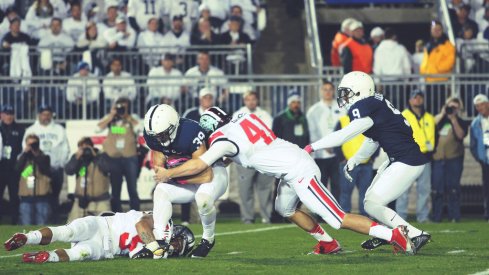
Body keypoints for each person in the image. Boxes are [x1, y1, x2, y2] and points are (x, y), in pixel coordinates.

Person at [153, 106, 416, 255]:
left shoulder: (222, 140)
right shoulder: (245, 117)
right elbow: (247, 149)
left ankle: (394, 234)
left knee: (338, 218)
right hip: (290, 165)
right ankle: (327, 243)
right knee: (285, 209)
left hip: (298, 171)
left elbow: (202, 163)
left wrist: (168, 173)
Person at [304, 71, 431, 252]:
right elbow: (373, 139)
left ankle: (413, 233)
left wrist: (313, 146)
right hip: (400, 159)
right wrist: (355, 159)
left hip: (406, 161)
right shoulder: (376, 103)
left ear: (359, 91)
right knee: (369, 203)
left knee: (372, 204)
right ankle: (390, 234)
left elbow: (346, 133)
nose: (344, 97)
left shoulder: (366, 104)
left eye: (346, 92)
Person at [143, 104, 228, 258]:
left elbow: (206, 175)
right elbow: (159, 168)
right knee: (161, 191)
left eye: (162, 135)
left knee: (202, 199)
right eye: (155, 136)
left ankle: (208, 239)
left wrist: (171, 173)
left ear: (173, 126)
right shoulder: (153, 135)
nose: (159, 139)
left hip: (214, 171)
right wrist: (172, 172)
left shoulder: (190, 132)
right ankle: (160, 242)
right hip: (187, 177)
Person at [4, 210, 195, 263]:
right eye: (178, 241)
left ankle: (45, 258)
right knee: (67, 231)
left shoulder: (160, 251)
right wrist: (156, 248)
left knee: (78, 255)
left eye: (179, 247)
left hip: (106, 250)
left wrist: (156, 252)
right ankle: (28, 237)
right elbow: (141, 225)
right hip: (101, 225)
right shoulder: (161, 221)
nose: (175, 246)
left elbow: (135, 254)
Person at [23, 105, 70, 223]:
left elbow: (65, 149)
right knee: (40, 197)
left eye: (48, 114)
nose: (46, 117)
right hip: (37, 170)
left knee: (54, 197)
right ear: (39, 115)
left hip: (55, 168)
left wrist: (60, 164)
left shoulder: (59, 129)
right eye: (43, 114)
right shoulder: (31, 130)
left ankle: (53, 222)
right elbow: (24, 148)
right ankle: (39, 222)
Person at [233, 90, 274, 224]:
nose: (251, 102)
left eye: (253, 99)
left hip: (263, 157)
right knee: (245, 190)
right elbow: (236, 136)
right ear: (244, 101)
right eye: (248, 99)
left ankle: (266, 216)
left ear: (257, 100)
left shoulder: (265, 115)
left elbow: (267, 135)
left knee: (265, 189)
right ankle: (247, 218)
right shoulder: (237, 114)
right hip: (244, 158)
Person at [395, 90, 435, 223]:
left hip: (425, 157)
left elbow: (435, 137)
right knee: (403, 188)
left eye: (420, 97)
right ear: (410, 100)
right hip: (408, 158)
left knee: (424, 189)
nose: (417, 100)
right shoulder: (403, 115)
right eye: (415, 97)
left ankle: (422, 217)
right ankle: (401, 217)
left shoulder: (429, 117)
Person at [98, 97, 140, 212]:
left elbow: (140, 129)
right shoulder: (111, 119)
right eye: (119, 107)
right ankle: (116, 214)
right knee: (115, 190)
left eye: (124, 107)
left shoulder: (133, 118)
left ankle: (135, 214)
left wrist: (128, 117)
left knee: (132, 188)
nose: (121, 109)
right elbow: (97, 129)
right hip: (113, 159)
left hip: (130, 158)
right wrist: (111, 116)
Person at [432, 97, 470, 222]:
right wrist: (443, 113)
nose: (451, 109)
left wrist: (453, 119)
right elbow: (431, 127)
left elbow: (460, 135)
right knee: (437, 190)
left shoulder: (461, 121)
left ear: (459, 109)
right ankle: (437, 217)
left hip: (454, 159)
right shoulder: (439, 119)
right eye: (450, 106)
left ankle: (454, 216)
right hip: (437, 159)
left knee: (453, 189)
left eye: (454, 107)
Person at [306, 81, 345, 199]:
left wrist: (337, 147)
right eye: (325, 89)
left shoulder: (342, 108)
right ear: (321, 91)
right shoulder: (314, 110)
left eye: (330, 89)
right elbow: (312, 132)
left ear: (334, 91)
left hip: (338, 155)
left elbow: (346, 128)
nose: (327, 92)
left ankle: (337, 214)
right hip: (320, 155)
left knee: (337, 186)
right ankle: (320, 215)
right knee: (320, 186)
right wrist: (324, 145)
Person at [64, 137, 111, 222]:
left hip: (100, 201)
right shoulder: (78, 158)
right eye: (82, 147)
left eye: (87, 147)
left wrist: (95, 156)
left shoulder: (102, 156)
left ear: (92, 146)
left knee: (105, 226)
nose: (85, 150)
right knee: (72, 227)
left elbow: (107, 168)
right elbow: (69, 170)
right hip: (80, 201)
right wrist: (77, 157)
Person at [335, 114, 372, 216]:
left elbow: (376, 138)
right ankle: (344, 216)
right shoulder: (343, 120)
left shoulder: (368, 119)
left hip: (366, 163)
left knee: (365, 193)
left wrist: (372, 157)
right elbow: (336, 139)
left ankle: (365, 216)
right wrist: (341, 158)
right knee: (345, 192)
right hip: (347, 164)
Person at [16, 134, 52, 225]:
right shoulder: (22, 157)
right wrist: (25, 153)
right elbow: (16, 170)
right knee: (26, 225)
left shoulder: (45, 157)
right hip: (26, 196)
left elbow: (45, 170)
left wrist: (36, 155)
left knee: (41, 225)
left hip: (42, 197)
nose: (32, 146)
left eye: (34, 144)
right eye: (29, 144)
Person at [0, 105, 24, 224]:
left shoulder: (20, 129)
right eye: (6, 114)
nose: (8, 116)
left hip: (14, 167)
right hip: (1, 166)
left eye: (11, 114)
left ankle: (15, 221)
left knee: (14, 196)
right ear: (1, 115)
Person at [470, 94, 489, 222]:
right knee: (487, 188)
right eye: (477, 106)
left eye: (481, 104)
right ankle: (487, 214)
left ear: (487, 104)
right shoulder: (475, 123)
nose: (479, 108)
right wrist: (480, 159)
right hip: (486, 160)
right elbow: (473, 145)